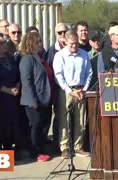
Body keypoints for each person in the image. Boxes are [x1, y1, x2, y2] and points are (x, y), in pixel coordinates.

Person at [53, 30, 92, 158]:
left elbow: (89, 73)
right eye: (71, 44)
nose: (74, 46)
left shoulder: (84, 54)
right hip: (66, 91)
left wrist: (84, 89)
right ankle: (65, 147)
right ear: (66, 42)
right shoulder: (60, 56)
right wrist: (70, 91)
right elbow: (59, 76)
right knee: (65, 120)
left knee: (80, 120)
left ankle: (78, 146)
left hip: (81, 89)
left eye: (76, 44)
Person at [20, 32, 53, 162]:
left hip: (45, 99)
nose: (40, 44)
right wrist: (32, 100)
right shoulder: (27, 59)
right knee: (35, 126)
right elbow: (26, 81)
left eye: (40, 41)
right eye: (37, 42)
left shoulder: (40, 57)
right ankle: (35, 152)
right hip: (33, 100)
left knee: (44, 125)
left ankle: (41, 148)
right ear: (30, 44)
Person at [46, 22, 69, 150]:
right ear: (56, 34)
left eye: (65, 32)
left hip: (73, 89)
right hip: (58, 89)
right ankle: (57, 143)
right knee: (59, 118)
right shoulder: (52, 50)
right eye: (60, 32)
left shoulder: (74, 47)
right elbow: (49, 71)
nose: (62, 35)